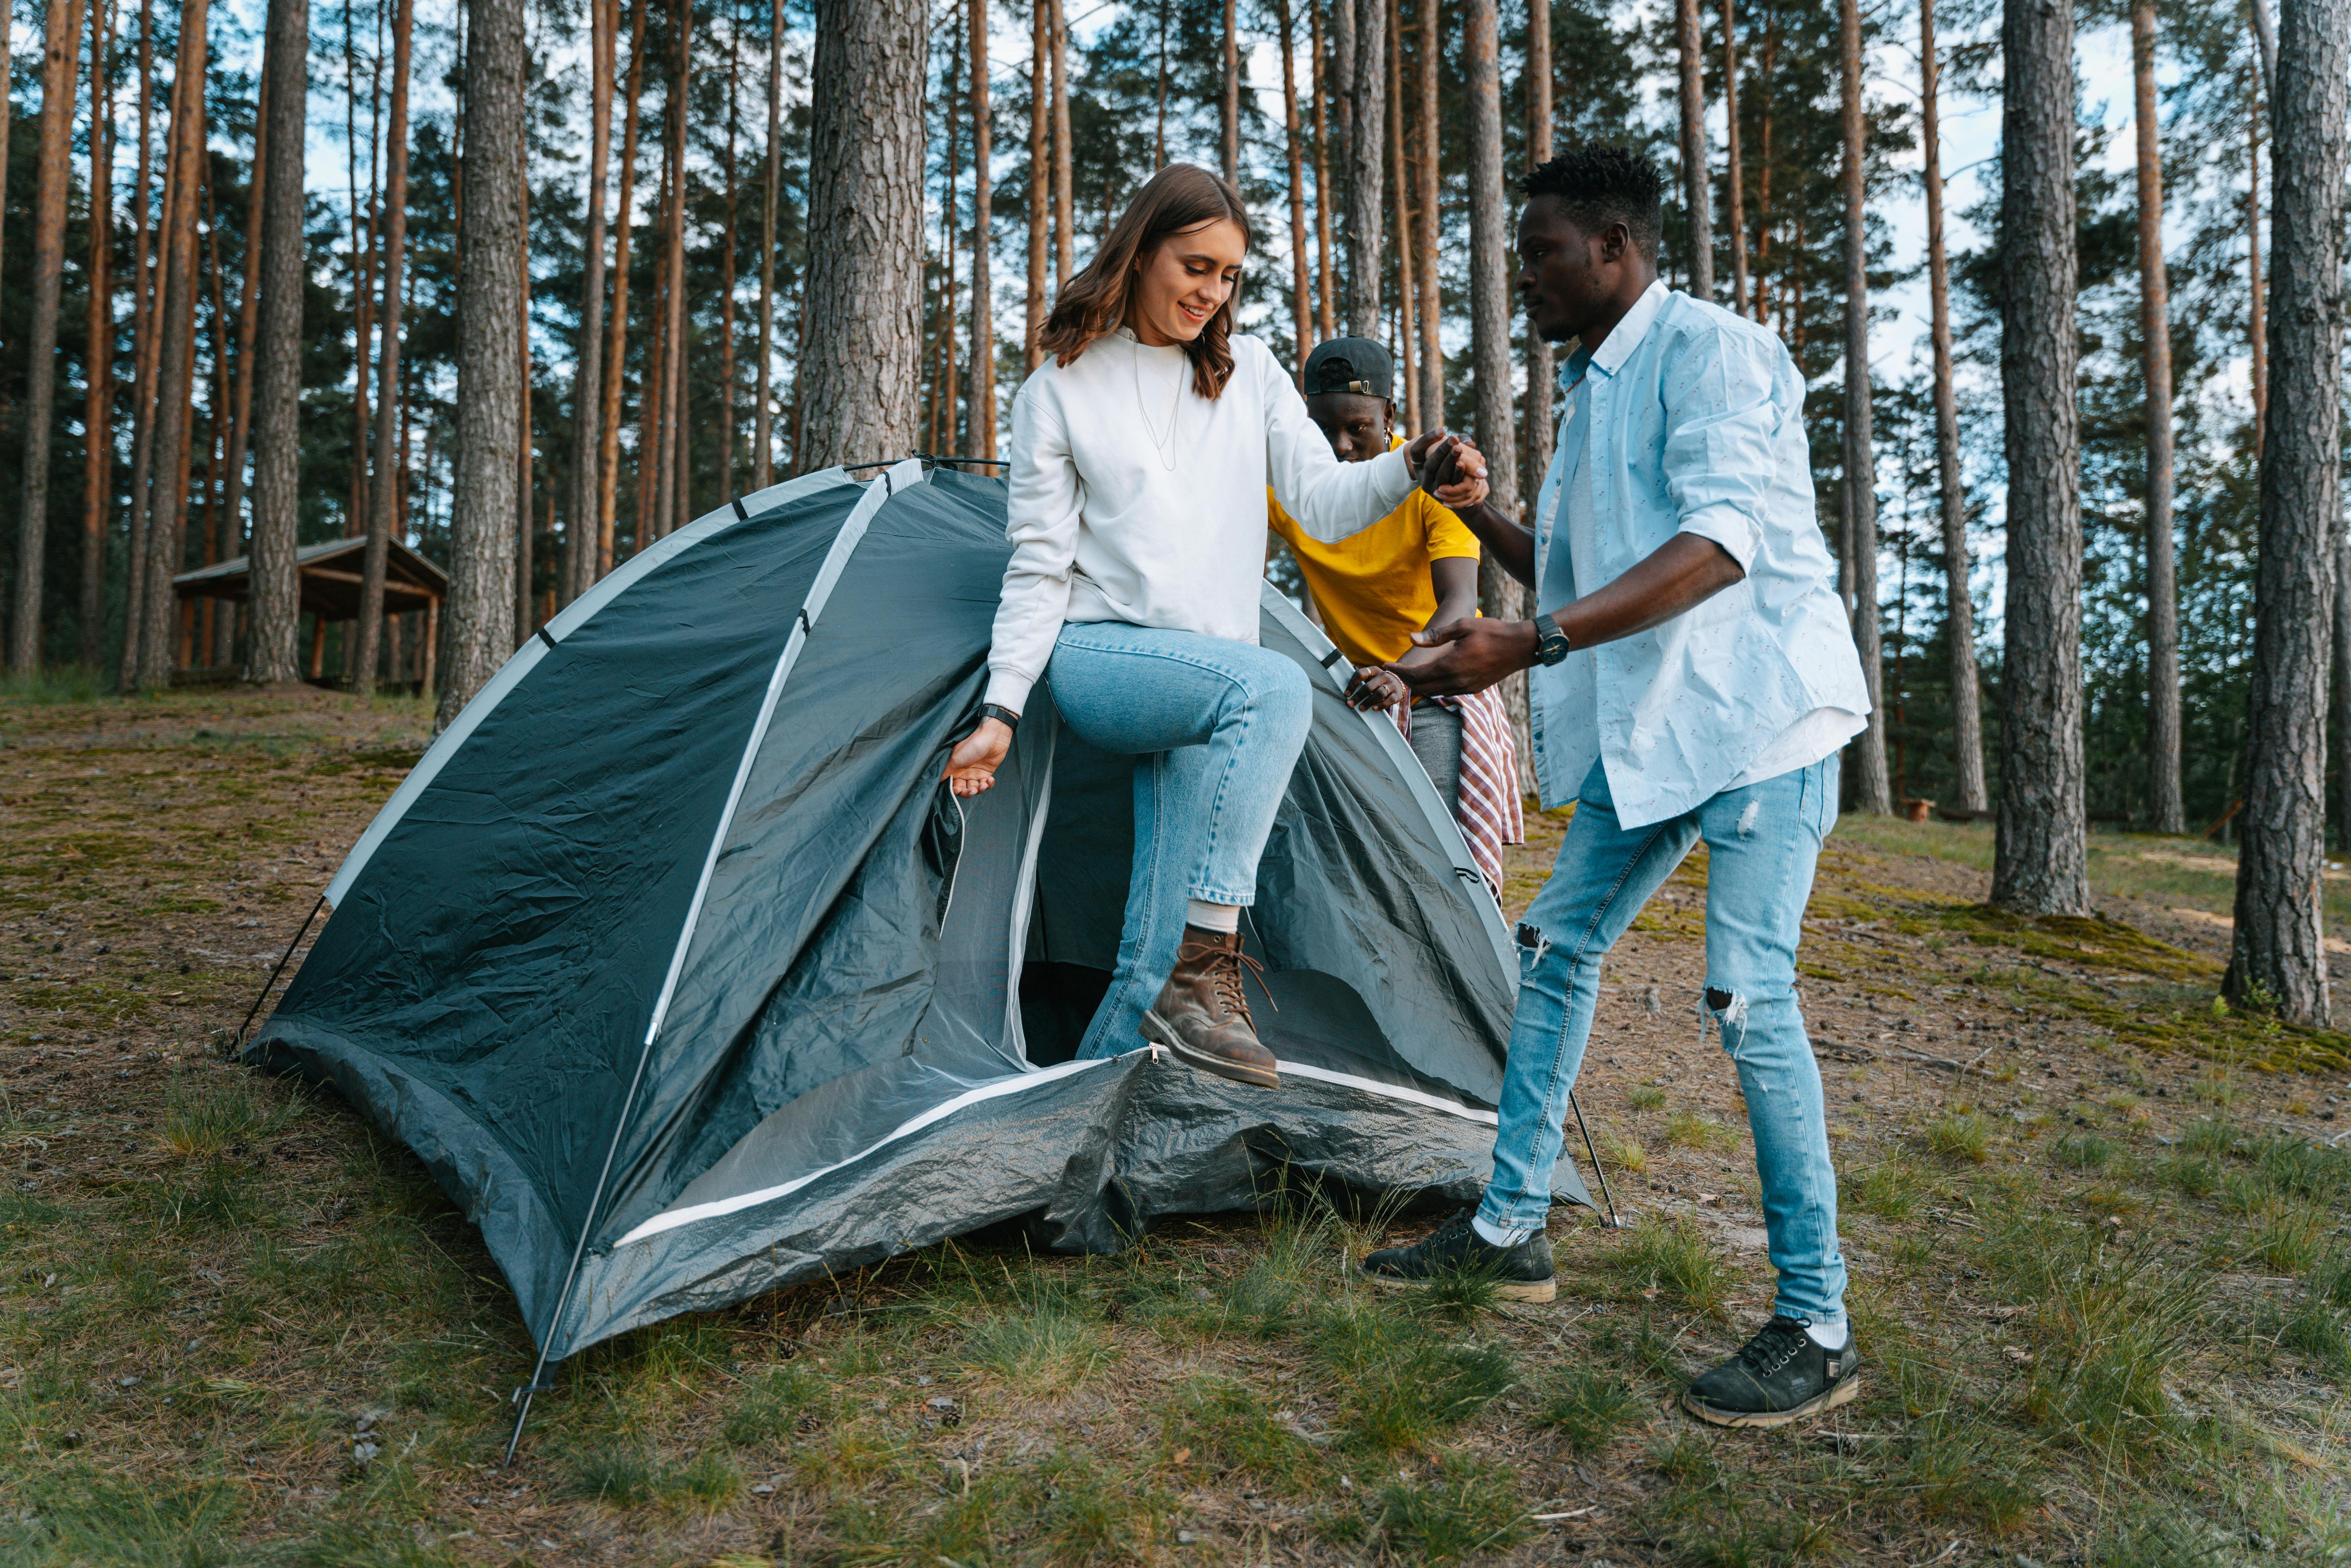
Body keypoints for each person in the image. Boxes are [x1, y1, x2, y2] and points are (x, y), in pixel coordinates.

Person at [1357, 147, 1871, 1431]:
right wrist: (1479, 515)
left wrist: (1526, 645)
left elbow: (1718, 548)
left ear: (1617, 251)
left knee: (1749, 1002)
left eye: (1542, 251)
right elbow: (1584, 576)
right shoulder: (1594, 391)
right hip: (1657, 735)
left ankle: (1816, 1322)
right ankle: (1509, 1230)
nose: (1523, 273)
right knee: (1556, 946)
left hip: (1759, 719)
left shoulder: (1717, 354)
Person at [942, 164, 1489, 1092]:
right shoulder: (1060, 390)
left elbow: (1322, 502)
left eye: (1230, 276)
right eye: (1196, 266)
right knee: (1273, 682)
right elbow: (1037, 568)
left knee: (1149, 951)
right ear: (1140, 250)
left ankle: (1077, 1140)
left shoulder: (1251, 377)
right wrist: (1002, 707)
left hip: (1213, 677)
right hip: (1104, 660)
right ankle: (1207, 969)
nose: (1211, 293)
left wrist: (1419, 461)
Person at [1266, 338, 1523, 896]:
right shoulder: (1290, 490)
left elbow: (1457, 602)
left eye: (1357, 428)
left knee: (1439, 866)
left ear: (1388, 415)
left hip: (1436, 683)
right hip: (1355, 694)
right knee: (1356, 867)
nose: (1339, 446)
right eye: (1322, 429)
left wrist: (1403, 675)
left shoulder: (1429, 484)